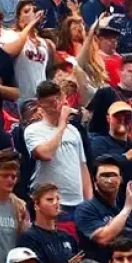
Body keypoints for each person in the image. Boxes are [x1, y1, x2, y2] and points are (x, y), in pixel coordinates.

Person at [23, 80, 92, 230]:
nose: (56, 106)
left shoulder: (74, 131)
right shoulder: (34, 130)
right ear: (40, 104)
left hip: (78, 203)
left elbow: (83, 167)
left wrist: (89, 202)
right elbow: (45, 154)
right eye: (50, 102)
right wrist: (61, 125)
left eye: (58, 100)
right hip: (51, 203)